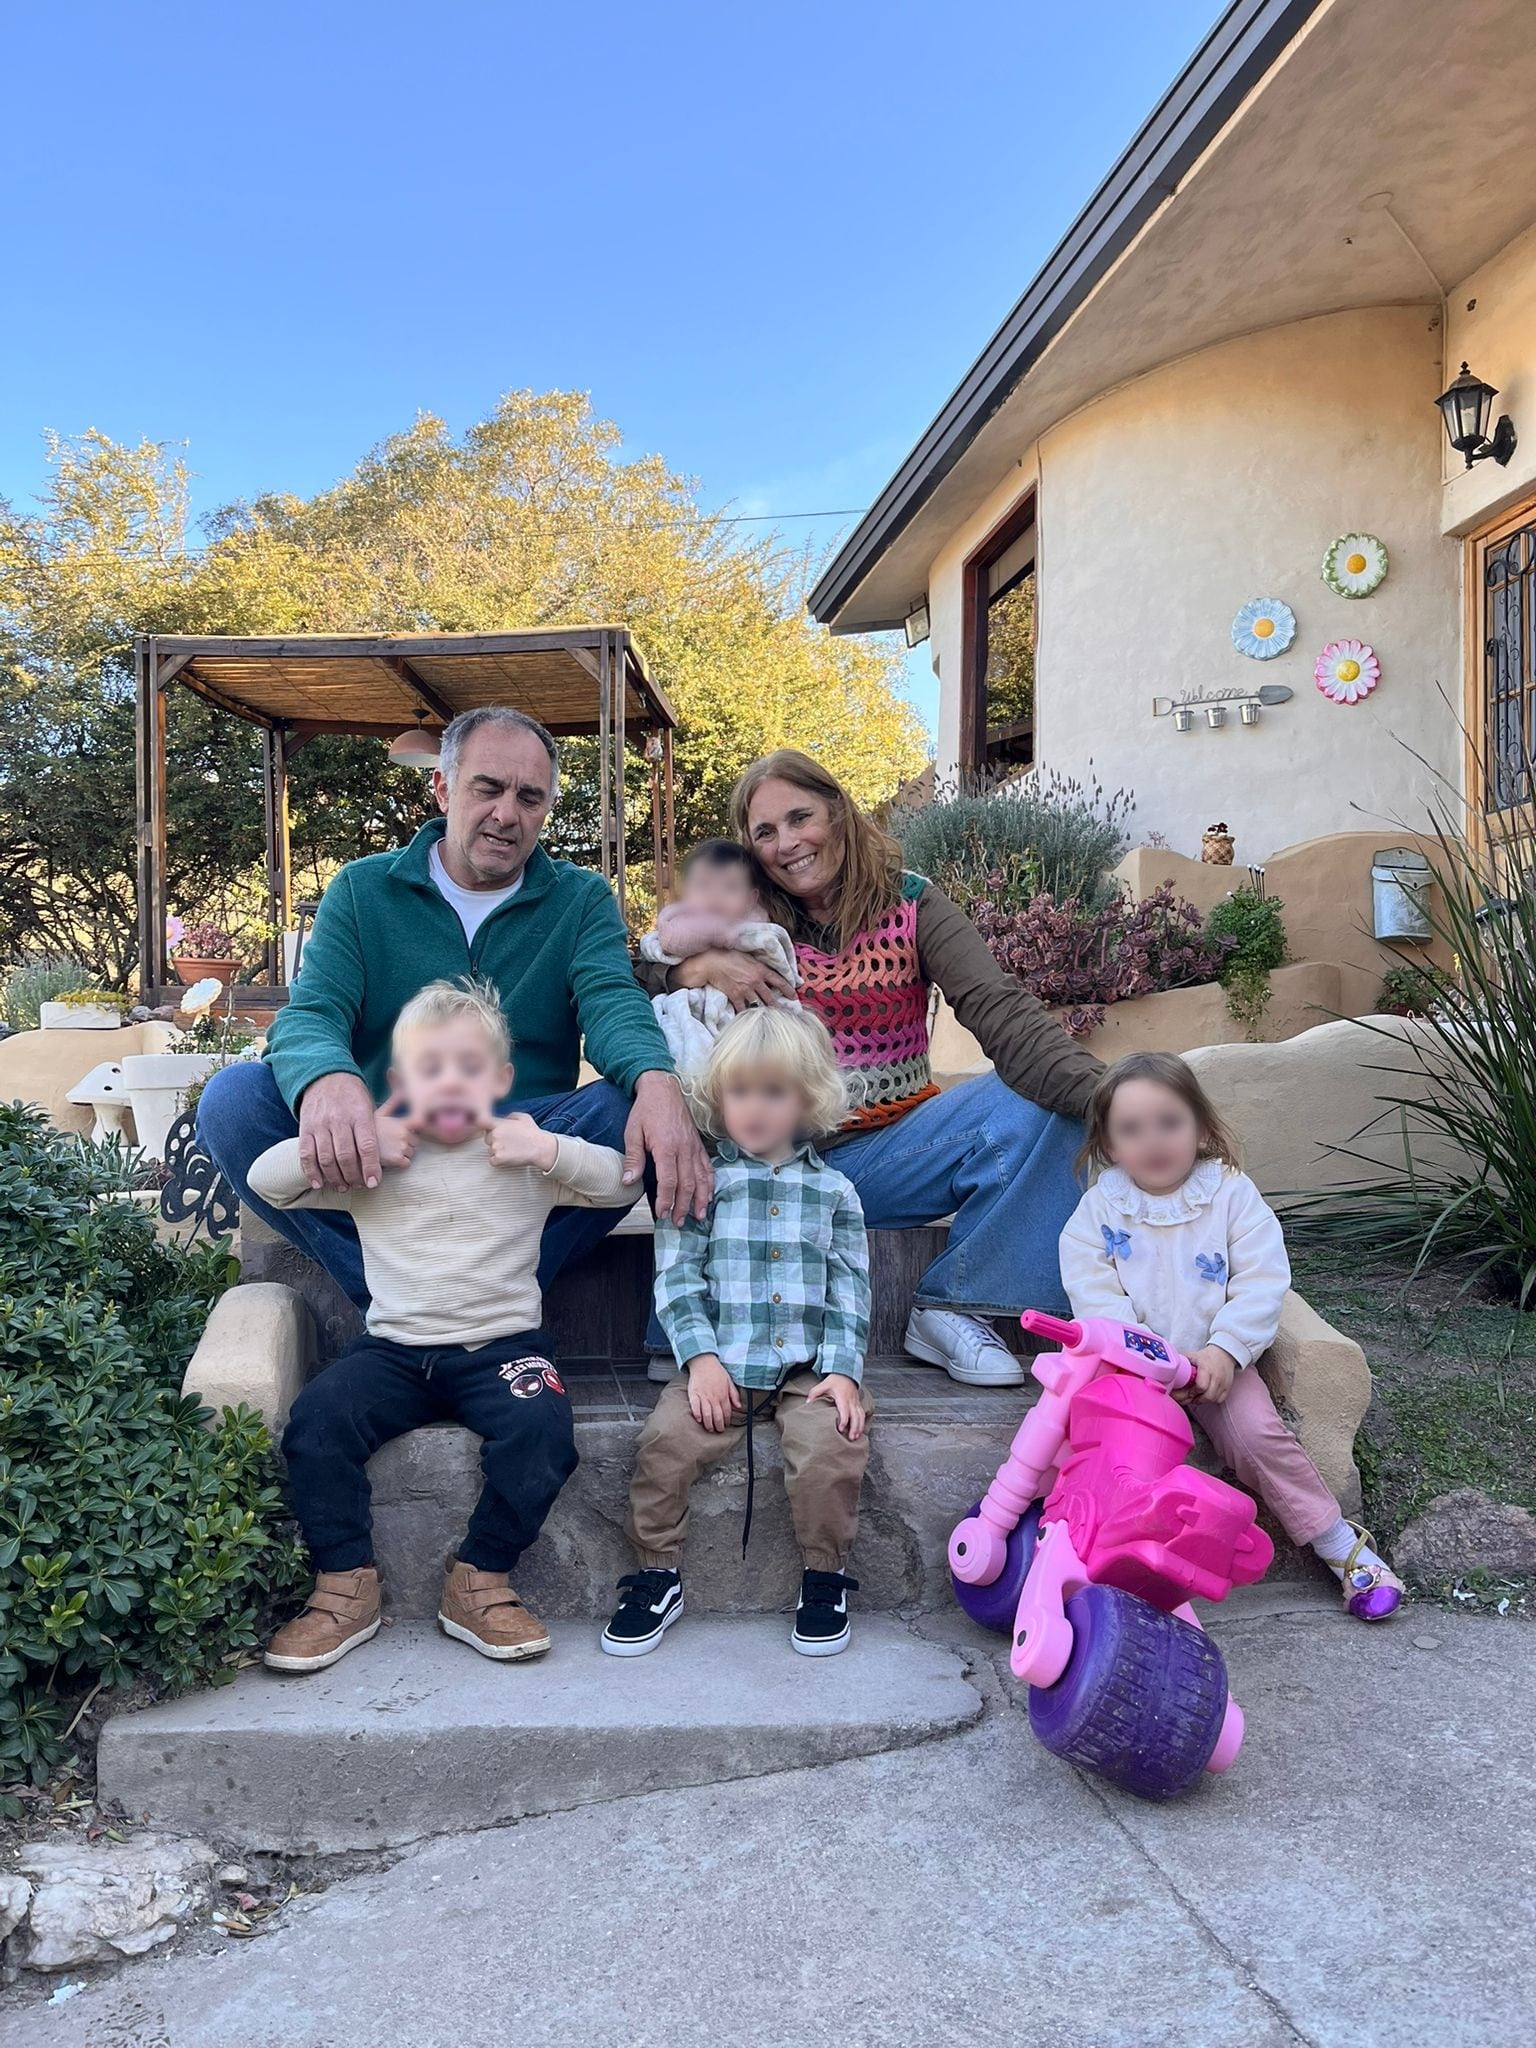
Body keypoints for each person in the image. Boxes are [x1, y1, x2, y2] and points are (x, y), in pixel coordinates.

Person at [198, 705, 709, 1314]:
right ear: (442, 786)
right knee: (233, 1101)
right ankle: (398, 1303)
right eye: (487, 788)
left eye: (529, 798)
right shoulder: (362, 889)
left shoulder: (581, 898)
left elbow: (611, 999)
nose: (506, 814)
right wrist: (327, 1081)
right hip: (389, 1150)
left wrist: (657, 1079)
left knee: (630, 1109)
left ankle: (478, 1303)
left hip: (516, 1147)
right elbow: (312, 1012)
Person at [639, 750, 1103, 1388]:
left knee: (1039, 1105)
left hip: (890, 1154)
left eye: (801, 817)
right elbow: (633, 965)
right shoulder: (740, 914)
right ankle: (691, 1333)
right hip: (762, 1162)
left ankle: (953, 1304)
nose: (787, 844)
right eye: (764, 833)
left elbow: (1000, 1009)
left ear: (838, 810)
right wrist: (691, 968)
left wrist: (1121, 1101)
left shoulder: (913, 904)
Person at [254, 979, 637, 1672]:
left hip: (501, 1348)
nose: (450, 1084)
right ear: (399, 1082)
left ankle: (480, 1578)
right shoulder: (374, 1162)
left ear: (501, 1080)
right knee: (316, 1423)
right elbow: (266, 1179)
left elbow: (623, 1183)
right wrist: (361, 1135)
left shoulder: (522, 1156)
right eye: (431, 1070)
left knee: (542, 1433)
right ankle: (345, 1584)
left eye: (470, 1068)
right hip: (395, 1351)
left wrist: (551, 1150)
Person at [1059, 1050, 1404, 1621]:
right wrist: (1147, 1360)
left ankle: (1340, 1547)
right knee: (1107, 1451)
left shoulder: (1229, 1194)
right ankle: (1097, 1565)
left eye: (1169, 1123)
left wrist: (1226, 1349)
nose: (1154, 1141)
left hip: (1220, 1364)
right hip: (1133, 1370)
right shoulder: (1099, 1210)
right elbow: (1093, 1291)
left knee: (1258, 1436)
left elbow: (1263, 1278)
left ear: (1200, 1126)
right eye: (1131, 1130)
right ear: (1109, 1145)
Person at [602, 1006, 872, 1659]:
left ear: (807, 1100)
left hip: (804, 1374)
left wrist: (842, 1370)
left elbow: (851, 1288)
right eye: (740, 1091)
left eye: (774, 1092)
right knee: (664, 1444)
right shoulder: (701, 1181)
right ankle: (656, 1573)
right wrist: (699, 1360)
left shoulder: (835, 1192)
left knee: (831, 1451)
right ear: (718, 1098)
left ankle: (824, 1577)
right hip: (718, 1367)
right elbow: (677, 1277)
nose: (754, 1108)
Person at [638, 837, 799, 1089]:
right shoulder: (677, 928)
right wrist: (701, 965)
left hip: (752, 1036)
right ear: (685, 894)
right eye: (703, 886)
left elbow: (781, 978)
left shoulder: (762, 933)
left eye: (730, 887)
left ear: (750, 899)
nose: (715, 898)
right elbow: (646, 971)